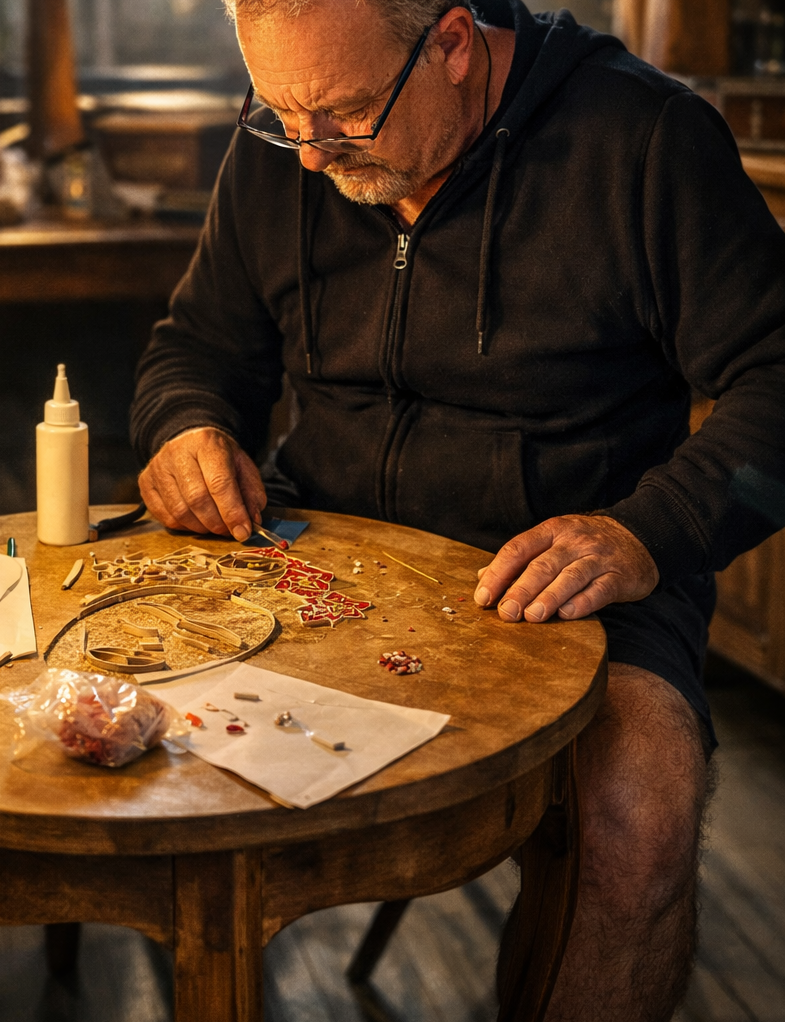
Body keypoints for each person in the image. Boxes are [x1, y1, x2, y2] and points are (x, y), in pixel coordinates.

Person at [130, 0, 785, 1016]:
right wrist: (184, 425)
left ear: (449, 42)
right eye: (279, 116)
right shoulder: (290, 141)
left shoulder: (641, 139)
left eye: (343, 114)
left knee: (634, 813)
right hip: (317, 546)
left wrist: (644, 531)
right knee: (124, 729)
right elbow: (196, 347)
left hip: (562, 577)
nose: (307, 157)